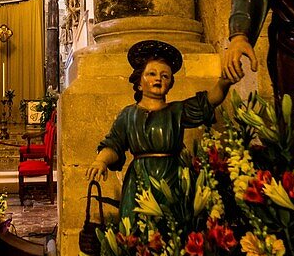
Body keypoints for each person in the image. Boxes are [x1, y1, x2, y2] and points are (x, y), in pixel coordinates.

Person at [86, 40, 232, 222]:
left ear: (171, 84)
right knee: (136, 230)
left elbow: (209, 101)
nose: (158, 79)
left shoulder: (177, 111)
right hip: (139, 181)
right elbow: (114, 144)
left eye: (165, 76)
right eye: (151, 74)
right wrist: (101, 161)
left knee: (174, 227)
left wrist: (223, 83)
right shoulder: (129, 114)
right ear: (139, 82)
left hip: (173, 178)